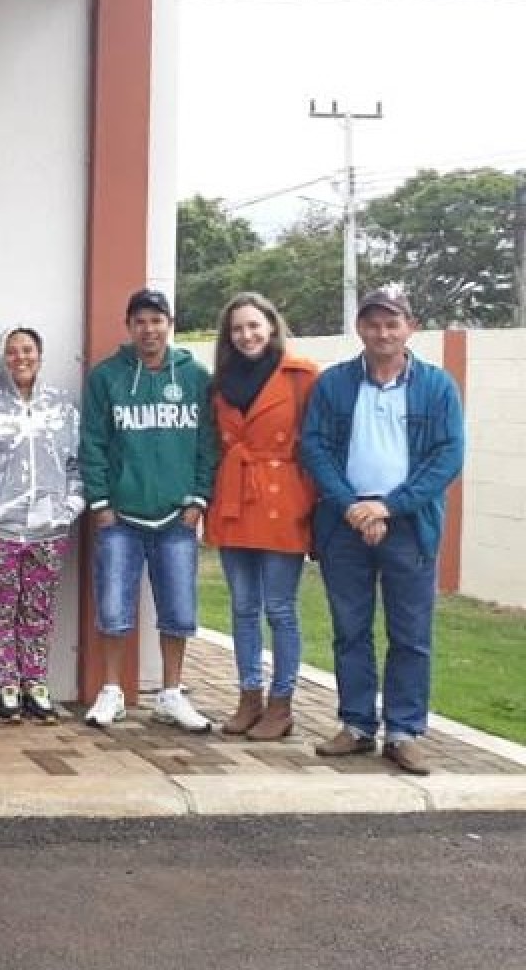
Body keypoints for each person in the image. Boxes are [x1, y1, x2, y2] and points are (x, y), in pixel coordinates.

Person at [301, 287, 465, 775]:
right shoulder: (333, 384)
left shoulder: (437, 387)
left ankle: (403, 731)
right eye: (373, 323)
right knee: (350, 632)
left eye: (392, 323)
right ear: (360, 329)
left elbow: (447, 457)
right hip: (344, 525)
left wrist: (387, 508)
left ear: (410, 327)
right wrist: (353, 506)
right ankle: (355, 725)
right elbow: (315, 448)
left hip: (410, 527)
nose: (382, 332)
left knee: (410, 635)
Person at [78, 287, 219, 731]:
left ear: (169, 325)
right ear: (129, 327)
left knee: (178, 608)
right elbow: (93, 444)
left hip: (177, 516)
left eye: (156, 320)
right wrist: (100, 503)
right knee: (113, 607)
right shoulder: (107, 378)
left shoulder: (195, 376)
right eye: (140, 321)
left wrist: (198, 498)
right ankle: (112, 690)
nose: (149, 329)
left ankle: (172, 693)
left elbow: (209, 445)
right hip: (120, 515)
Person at [0, 326, 83, 724]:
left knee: (37, 610)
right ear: (0, 357)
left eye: (28, 350)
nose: (20, 358)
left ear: (40, 356)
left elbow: (78, 463)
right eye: (12, 351)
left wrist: (71, 505)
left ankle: (36, 685)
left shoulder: (62, 408)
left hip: (48, 529)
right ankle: (5, 685)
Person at [204, 293, 319, 742]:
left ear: (271, 325)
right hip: (235, 499)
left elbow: (317, 442)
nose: (247, 335)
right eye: (237, 329)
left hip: (281, 500)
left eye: (254, 325)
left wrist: (305, 498)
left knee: (280, 609)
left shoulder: (301, 376)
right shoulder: (220, 384)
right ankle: (248, 696)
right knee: (243, 607)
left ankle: (281, 703)